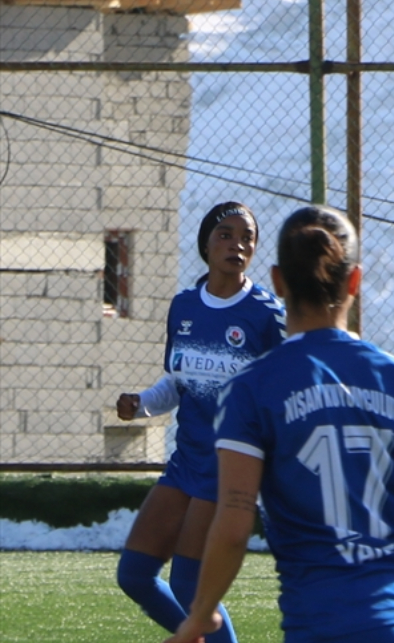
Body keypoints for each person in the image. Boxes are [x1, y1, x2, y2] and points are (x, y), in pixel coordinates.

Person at [164, 205, 394, 643]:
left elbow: (233, 524)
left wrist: (200, 615)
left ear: (278, 282)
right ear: (355, 282)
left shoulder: (253, 388)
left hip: (330, 620)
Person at [115, 201, 285, 643]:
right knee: (134, 574)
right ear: (205, 244)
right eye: (226, 234)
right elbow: (179, 382)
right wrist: (142, 403)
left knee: (189, 585)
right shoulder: (185, 306)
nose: (237, 245)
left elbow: (285, 391)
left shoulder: (267, 315)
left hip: (231, 467)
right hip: (187, 461)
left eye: (247, 237)